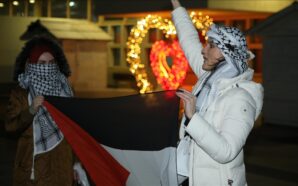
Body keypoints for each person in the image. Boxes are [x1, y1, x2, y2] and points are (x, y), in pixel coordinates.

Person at [171, 0, 264, 185]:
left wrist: (193, 117)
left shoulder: (241, 98)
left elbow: (227, 151)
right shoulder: (208, 77)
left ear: (226, 54)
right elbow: (189, 40)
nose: (203, 50)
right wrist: (177, 6)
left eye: (211, 45)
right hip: (188, 174)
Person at [5, 36, 85, 186]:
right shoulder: (22, 93)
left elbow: (74, 131)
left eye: (51, 63)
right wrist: (30, 110)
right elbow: (10, 127)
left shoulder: (66, 91)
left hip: (62, 166)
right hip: (33, 170)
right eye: (42, 63)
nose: (47, 67)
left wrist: (76, 163)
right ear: (32, 64)